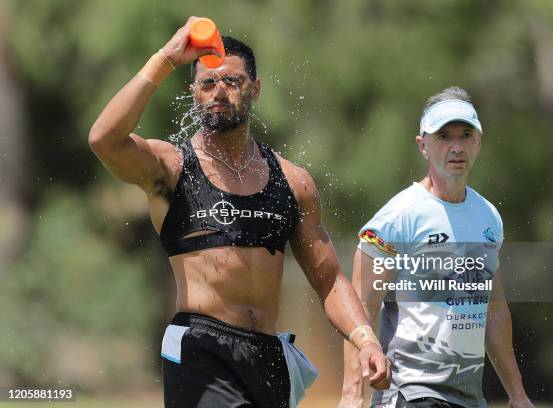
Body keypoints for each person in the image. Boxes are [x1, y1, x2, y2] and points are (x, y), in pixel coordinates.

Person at [89, 16, 390, 408]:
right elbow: (104, 139)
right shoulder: (172, 168)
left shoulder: (293, 182)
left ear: (255, 89)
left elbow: (330, 280)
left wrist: (364, 338)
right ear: (194, 92)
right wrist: (165, 59)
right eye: (207, 83)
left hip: (267, 357)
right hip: (200, 349)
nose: (218, 92)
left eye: (232, 82)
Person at [339, 87, 534, 408]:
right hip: (410, 391)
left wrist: (517, 393)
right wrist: (351, 395)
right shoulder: (396, 219)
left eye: (465, 134)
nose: (456, 147)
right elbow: (359, 310)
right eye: (444, 136)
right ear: (423, 145)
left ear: (479, 142)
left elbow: (495, 310)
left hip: (469, 396)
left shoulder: (489, 217)